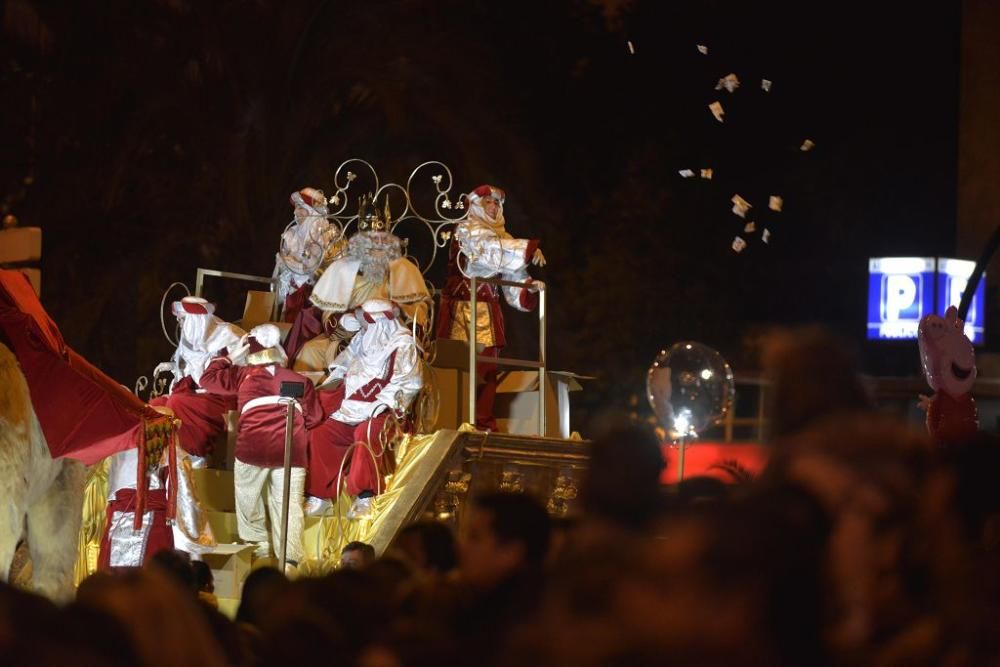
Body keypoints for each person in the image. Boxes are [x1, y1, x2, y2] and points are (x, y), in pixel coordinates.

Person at [199, 324, 325, 568]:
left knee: (248, 497)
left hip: (252, 447)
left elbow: (207, 379)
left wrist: (228, 357)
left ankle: (257, 546)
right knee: (288, 503)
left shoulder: (242, 375)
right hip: (290, 449)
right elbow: (315, 417)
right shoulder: (299, 380)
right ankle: (290, 558)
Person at [436, 185, 545, 431]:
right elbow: (490, 255)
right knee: (464, 369)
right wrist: (527, 248)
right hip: (462, 311)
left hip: (488, 309)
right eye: (488, 203)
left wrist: (528, 286)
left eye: (497, 204)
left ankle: (482, 422)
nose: (494, 207)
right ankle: (460, 420)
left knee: (487, 371)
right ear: (476, 206)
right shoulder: (467, 230)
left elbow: (513, 272)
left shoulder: (503, 237)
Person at [305, 299, 424, 519]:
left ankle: (366, 496)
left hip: (383, 411)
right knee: (320, 433)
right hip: (351, 406)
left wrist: (381, 404)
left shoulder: (403, 343)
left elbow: (410, 382)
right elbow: (345, 361)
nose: (365, 327)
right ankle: (320, 496)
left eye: (369, 323)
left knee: (365, 433)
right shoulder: (365, 338)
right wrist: (338, 377)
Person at [286, 194, 430, 374]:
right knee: (310, 352)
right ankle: (308, 401)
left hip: (388, 338)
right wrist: (345, 322)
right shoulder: (342, 267)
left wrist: (396, 316)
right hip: (348, 337)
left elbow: (420, 313)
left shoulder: (404, 269)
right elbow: (328, 313)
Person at [97, 409, 215, 571]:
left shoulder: (121, 448)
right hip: (155, 526)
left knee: (116, 582)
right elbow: (185, 500)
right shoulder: (172, 452)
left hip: (118, 521)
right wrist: (194, 541)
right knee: (151, 581)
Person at [150, 296, 245, 466]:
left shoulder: (228, 335)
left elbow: (236, 374)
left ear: (196, 320)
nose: (179, 321)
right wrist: (172, 366)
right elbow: (191, 366)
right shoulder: (192, 334)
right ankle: (160, 456)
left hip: (221, 398)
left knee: (177, 402)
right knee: (156, 405)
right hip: (198, 392)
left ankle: (191, 455)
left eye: (183, 318)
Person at [273, 187, 342, 323]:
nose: (295, 212)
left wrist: (292, 264)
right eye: (296, 208)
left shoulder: (324, 233)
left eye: (300, 207)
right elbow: (285, 267)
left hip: (312, 299)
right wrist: (282, 264)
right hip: (292, 296)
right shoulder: (292, 233)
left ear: (311, 210)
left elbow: (317, 269)